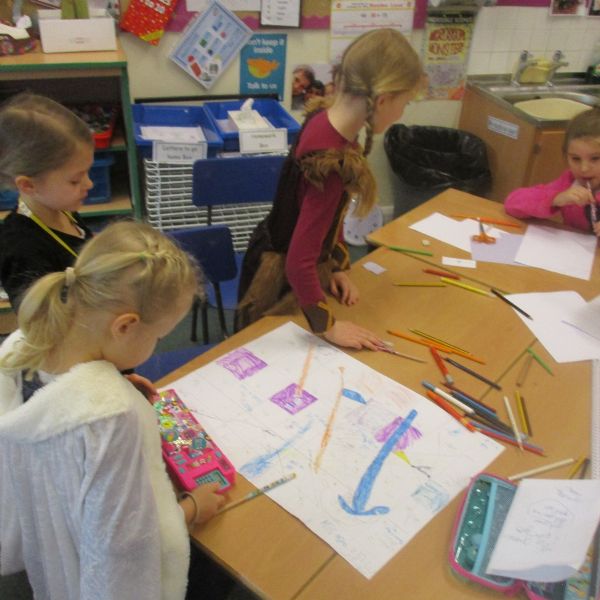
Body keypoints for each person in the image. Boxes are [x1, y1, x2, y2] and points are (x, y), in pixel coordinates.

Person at [0, 221, 226, 600]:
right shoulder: (111, 417)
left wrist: (112, 381)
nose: (156, 345)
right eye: (159, 336)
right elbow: (123, 546)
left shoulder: (22, 344)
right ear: (125, 326)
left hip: (49, 544)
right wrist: (190, 509)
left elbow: (58, 407)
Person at [236, 28, 424, 350]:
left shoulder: (325, 119)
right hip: (277, 285)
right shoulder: (331, 162)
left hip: (282, 257)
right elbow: (298, 263)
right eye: (405, 103)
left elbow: (325, 220)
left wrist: (332, 266)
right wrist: (329, 327)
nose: (402, 113)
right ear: (382, 100)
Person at [0, 93, 95, 310]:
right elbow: (38, 319)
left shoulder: (61, 209)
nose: (89, 184)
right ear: (28, 185)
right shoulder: (22, 250)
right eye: (75, 180)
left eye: (87, 172)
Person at [505, 107, 600, 236]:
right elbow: (512, 203)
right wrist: (555, 198)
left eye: (595, 158)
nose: (584, 168)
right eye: (575, 159)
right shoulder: (569, 182)